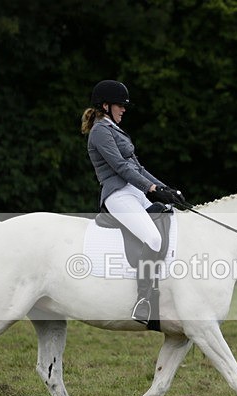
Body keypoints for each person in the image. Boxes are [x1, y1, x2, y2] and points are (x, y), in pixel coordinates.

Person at [81, 79, 187, 324]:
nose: (124, 109)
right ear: (105, 106)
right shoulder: (100, 131)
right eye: (120, 105)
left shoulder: (114, 129)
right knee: (152, 238)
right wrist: (151, 188)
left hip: (134, 192)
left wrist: (166, 189)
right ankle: (144, 300)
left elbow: (137, 167)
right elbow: (119, 167)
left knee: (168, 215)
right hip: (117, 195)